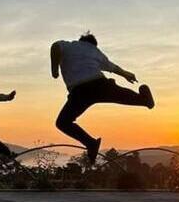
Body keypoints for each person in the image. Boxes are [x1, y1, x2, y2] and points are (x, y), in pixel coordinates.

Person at [50, 33, 155, 162]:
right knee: (119, 94)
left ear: (80, 40)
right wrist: (126, 74)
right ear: (93, 44)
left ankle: (90, 143)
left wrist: (54, 69)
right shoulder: (95, 51)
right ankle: (143, 100)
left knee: (63, 123)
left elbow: (55, 46)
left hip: (80, 91)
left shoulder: (69, 45)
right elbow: (112, 67)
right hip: (99, 83)